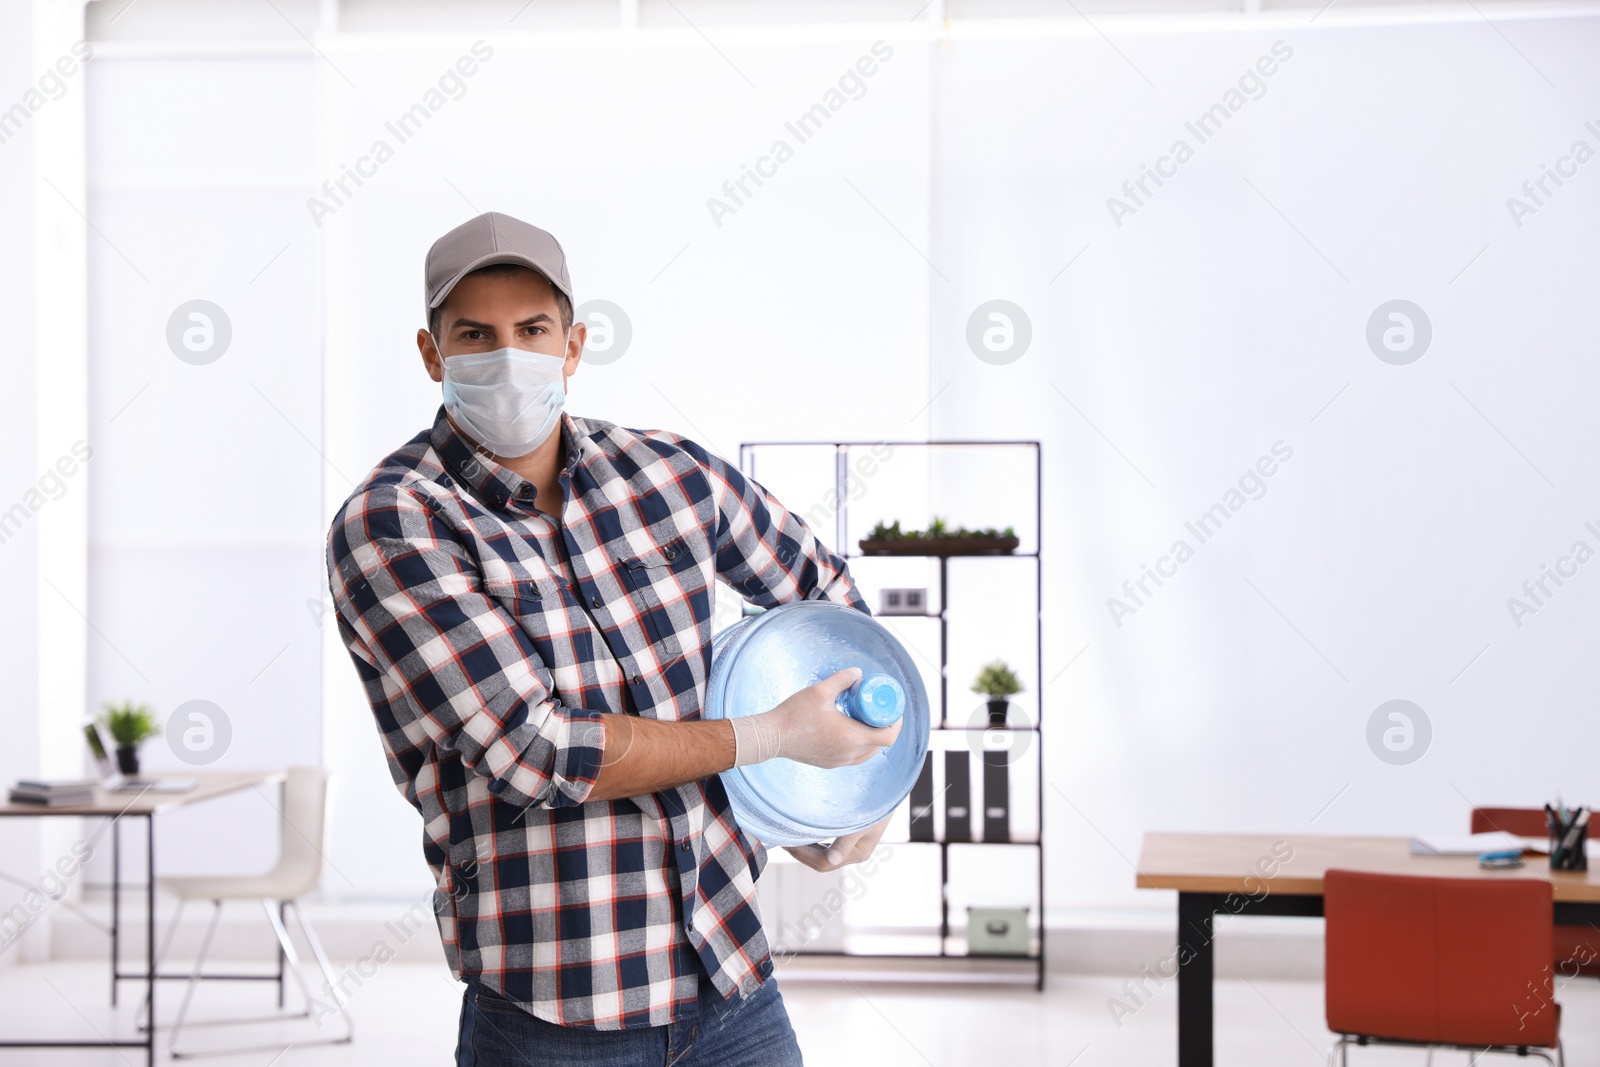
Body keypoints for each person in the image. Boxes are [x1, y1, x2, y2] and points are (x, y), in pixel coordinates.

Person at [325, 211, 900, 1066]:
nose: (508, 356)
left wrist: (850, 793)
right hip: (553, 1015)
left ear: (574, 343)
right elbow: (538, 748)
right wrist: (770, 738)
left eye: (532, 329)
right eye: (475, 335)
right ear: (431, 353)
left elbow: (827, 598)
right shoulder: (396, 523)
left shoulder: (671, 474)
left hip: (732, 984)